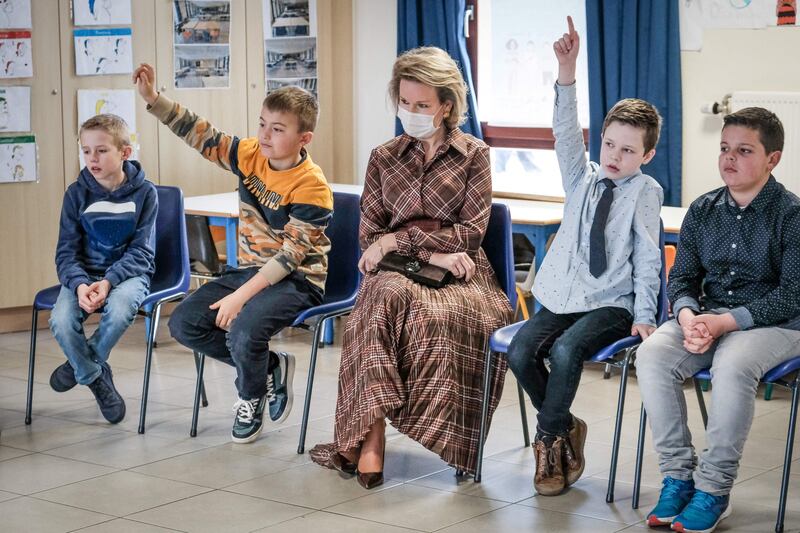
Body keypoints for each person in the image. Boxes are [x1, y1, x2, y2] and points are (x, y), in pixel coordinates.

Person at [309, 46, 512, 488]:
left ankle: (370, 433)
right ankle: (373, 433)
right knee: (382, 293)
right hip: (399, 271)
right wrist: (415, 249)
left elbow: (471, 234)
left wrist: (399, 239)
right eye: (405, 103)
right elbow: (367, 237)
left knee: (401, 305)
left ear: (446, 105)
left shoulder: (474, 154)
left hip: (463, 277)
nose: (411, 112)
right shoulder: (383, 157)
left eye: (422, 105)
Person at [504, 16, 663, 496]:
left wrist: (642, 313)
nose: (615, 156)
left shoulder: (646, 192)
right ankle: (567, 424)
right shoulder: (582, 178)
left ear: (647, 155)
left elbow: (649, 257)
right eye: (610, 144)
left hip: (611, 301)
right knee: (520, 351)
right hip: (563, 294)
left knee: (570, 349)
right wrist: (567, 70)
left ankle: (549, 445)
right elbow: (565, 132)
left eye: (629, 150)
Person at [133, 63, 333, 444]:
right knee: (184, 322)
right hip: (247, 271)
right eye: (262, 124)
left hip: (297, 281)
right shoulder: (249, 154)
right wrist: (153, 100)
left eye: (278, 129)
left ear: (304, 137)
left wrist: (239, 298)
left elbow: (290, 258)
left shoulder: (312, 187)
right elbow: (200, 133)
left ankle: (250, 395)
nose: (265, 135)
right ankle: (269, 366)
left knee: (243, 327)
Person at [636, 106, 800, 533]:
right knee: (652, 355)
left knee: (732, 366)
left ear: (773, 159)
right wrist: (689, 315)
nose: (730, 158)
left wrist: (724, 324)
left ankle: (714, 488)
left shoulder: (791, 215)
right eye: (725, 148)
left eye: (744, 150)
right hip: (708, 316)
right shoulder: (703, 209)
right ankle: (678, 477)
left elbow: (791, 295)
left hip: (777, 324)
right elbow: (684, 277)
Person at [49, 114, 157, 424]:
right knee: (61, 318)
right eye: (86, 151)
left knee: (122, 307)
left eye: (101, 150)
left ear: (125, 152)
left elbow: (141, 251)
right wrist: (81, 285)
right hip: (84, 275)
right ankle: (96, 376)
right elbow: (65, 253)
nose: (92, 158)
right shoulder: (75, 194)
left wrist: (109, 282)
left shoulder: (145, 193)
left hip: (129, 274)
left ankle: (81, 364)